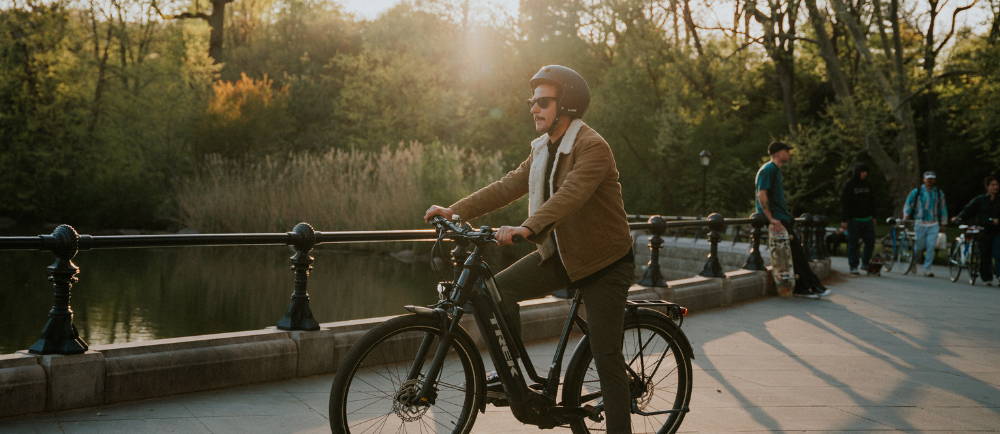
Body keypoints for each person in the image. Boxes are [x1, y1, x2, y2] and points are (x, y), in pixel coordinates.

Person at [423, 65, 635, 433]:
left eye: (542, 102)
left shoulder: (592, 147)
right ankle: (515, 379)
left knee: (606, 359)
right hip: (562, 255)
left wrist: (527, 227)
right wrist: (455, 210)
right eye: (531, 102)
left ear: (566, 105)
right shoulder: (544, 148)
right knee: (495, 292)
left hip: (604, 263)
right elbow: (508, 186)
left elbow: (571, 195)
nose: (533, 109)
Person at [755, 141, 830, 299]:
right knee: (796, 255)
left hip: (782, 218)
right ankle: (808, 288)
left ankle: (806, 288)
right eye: (786, 151)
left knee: (795, 255)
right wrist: (771, 219)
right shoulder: (768, 169)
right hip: (778, 220)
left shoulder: (775, 170)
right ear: (776, 153)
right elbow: (762, 195)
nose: (789, 153)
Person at [952, 175, 1000, 285]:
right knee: (985, 254)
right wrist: (959, 218)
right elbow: (968, 210)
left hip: (997, 231)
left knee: (998, 253)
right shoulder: (980, 200)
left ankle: (999, 274)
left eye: (997, 185)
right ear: (987, 186)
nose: (995, 187)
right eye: (992, 185)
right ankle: (987, 278)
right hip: (983, 231)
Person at [903, 171, 948, 277]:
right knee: (919, 246)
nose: (930, 181)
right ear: (924, 179)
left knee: (931, 246)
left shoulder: (938, 193)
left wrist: (944, 222)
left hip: (933, 223)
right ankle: (912, 262)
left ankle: (927, 268)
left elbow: (943, 207)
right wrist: (906, 216)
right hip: (920, 222)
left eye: (932, 179)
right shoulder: (917, 192)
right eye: (928, 179)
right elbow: (908, 204)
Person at [840, 163, 876, 275]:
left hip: (867, 219)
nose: (865, 174)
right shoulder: (849, 185)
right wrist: (844, 219)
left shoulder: (868, 185)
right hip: (854, 219)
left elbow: (873, 201)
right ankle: (853, 265)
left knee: (870, 241)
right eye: (863, 171)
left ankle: (865, 263)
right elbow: (844, 203)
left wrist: (874, 216)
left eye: (866, 172)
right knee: (853, 243)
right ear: (858, 172)